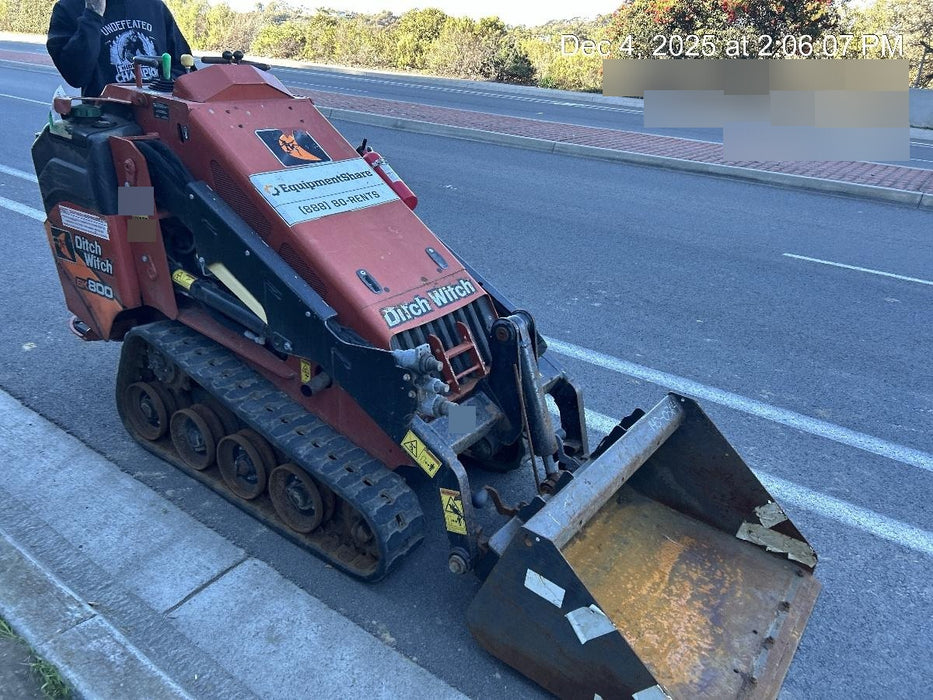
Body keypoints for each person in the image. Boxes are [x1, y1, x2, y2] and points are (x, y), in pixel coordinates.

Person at [47, 0, 192, 97]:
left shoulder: (154, 5)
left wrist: (162, 89)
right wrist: (93, 15)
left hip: (159, 117)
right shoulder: (68, 8)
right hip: (108, 123)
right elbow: (76, 76)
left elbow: (184, 68)